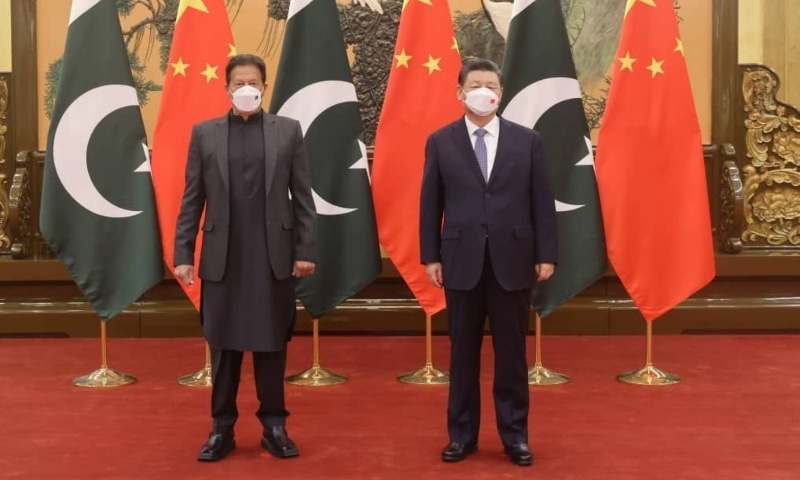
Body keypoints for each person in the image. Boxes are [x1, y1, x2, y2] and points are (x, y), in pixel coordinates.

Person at [173, 53, 316, 462]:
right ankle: (222, 428)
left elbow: (304, 198)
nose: (246, 89)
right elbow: (191, 199)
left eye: (254, 81)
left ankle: (274, 426)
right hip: (223, 258)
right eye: (239, 83)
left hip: (274, 257)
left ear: (265, 87)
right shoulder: (205, 134)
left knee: (272, 344)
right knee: (224, 346)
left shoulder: (288, 132)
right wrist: (183, 253)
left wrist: (306, 250)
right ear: (227, 88)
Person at [419, 58, 558, 467]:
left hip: (513, 261)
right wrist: (430, 256)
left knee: (512, 355)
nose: (484, 91)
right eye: (475, 84)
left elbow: (542, 202)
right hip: (460, 261)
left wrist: (546, 253)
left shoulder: (527, 140)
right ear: (460, 92)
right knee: (462, 354)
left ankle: (515, 436)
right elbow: (431, 204)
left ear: (501, 92)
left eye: (491, 84)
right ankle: (461, 436)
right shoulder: (440, 141)